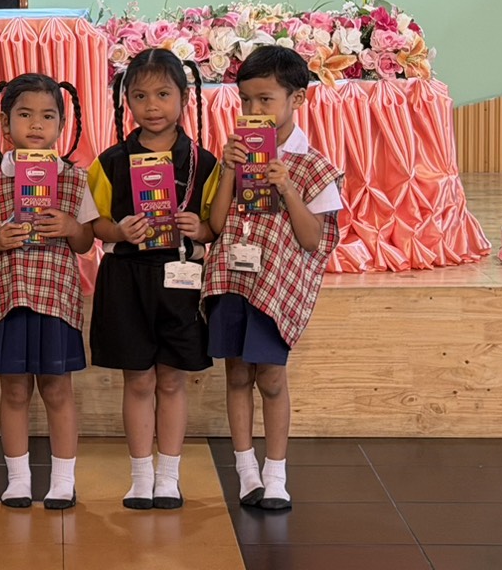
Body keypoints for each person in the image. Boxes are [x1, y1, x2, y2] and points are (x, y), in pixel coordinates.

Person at [206, 46, 343, 512]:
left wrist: (286, 186)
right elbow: (218, 224)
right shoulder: (235, 154)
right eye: (245, 100)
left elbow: (313, 239)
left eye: (265, 99)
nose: (254, 110)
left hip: (275, 287)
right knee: (236, 374)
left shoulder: (315, 166)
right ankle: (246, 471)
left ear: (297, 99)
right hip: (233, 278)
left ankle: (276, 473)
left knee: (271, 377)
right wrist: (228, 169)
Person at [86, 49, 220, 510]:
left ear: (184, 97)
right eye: (140, 96)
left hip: (180, 279)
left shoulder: (204, 163)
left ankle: (169, 477)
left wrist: (200, 229)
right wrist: (118, 231)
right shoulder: (110, 161)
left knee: (171, 381)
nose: (152, 106)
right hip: (126, 280)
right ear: (127, 101)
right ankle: (141, 476)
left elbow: (216, 226)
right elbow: (94, 224)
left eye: (163, 94)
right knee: (139, 381)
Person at [0, 74, 97, 511]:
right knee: (14, 391)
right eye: (25, 115)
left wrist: (71, 226)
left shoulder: (74, 179)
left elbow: (85, 241)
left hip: (56, 301)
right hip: (7, 301)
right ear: (6, 124)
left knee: (57, 389)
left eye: (48, 116)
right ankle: (18, 479)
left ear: (61, 125)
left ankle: (63, 480)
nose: (36, 124)